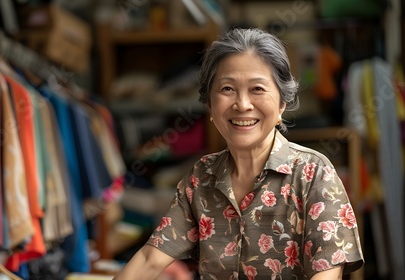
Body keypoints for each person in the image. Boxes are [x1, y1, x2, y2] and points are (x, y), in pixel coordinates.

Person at [113, 28, 364, 280]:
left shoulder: (313, 175)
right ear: (210, 105)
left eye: (257, 88)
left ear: (281, 105)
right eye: (227, 89)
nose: (242, 104)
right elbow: (150, 258)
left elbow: (325, 276)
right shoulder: (202, 177)